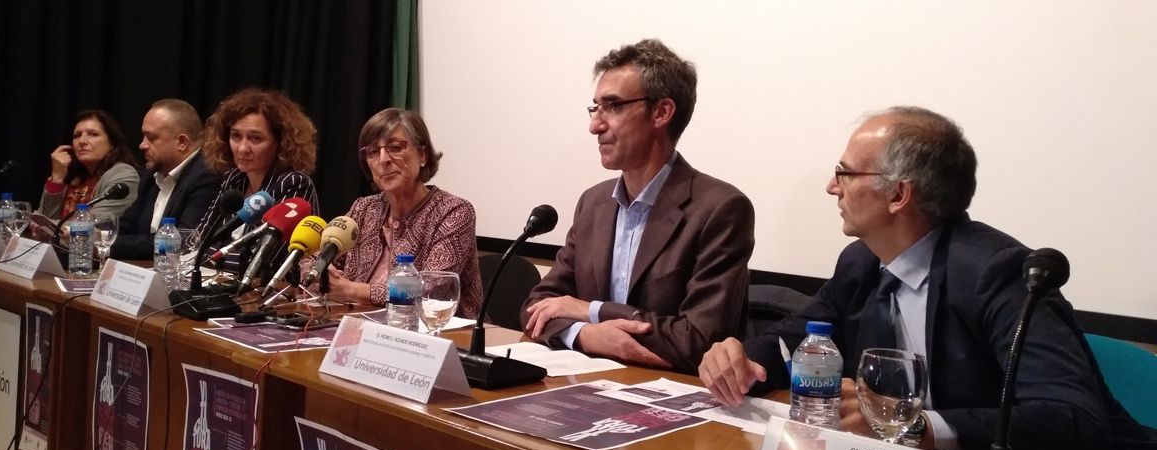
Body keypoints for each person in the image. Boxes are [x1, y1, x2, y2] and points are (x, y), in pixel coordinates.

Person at [699, 106, 1134, 450]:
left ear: (898, 195)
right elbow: (798, 339)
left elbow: (1076, 423)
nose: (832, 187)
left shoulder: (998, 273)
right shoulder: (862, 262)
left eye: (844, 174)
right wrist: (741, 359)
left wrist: (910, 424)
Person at [521, 39, 754, 374]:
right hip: (588, 387)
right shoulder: (593, 203)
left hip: (674, 398)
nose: (595, 125)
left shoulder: (720, 209)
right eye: (595, 108)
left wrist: (593, 311)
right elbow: (536, 307)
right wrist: (586, 335)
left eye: (613, 106)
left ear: (661, 112)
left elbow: (700, 341)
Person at [306, 108, 482, 318]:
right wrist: (321, 271)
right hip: (361, 326)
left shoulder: (453, 211)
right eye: (372, 152)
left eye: (395, 148)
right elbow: (309, 262)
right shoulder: (363, 209)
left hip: (442, 336)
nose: (383, 159)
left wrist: (352, 290)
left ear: (423, 155)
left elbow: (430, 290)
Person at [194, 88, 320, 268]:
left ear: (281, 143)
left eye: (255, 138)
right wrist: (207, 255)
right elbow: (201, 240)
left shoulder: (292, 184)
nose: (242, 148)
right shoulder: (235, 179)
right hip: (222, 284)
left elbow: (262, 261)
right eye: (236, 136)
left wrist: (210, 258)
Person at [109, 99, 220, 259]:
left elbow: (182, 242)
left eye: (151, 137)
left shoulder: (206, 175)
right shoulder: (152, 174)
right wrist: (98, 235)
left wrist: (104, 246)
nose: (142, 145)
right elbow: (127, 226)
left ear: (181, 142)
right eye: (143, 136)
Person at [37, 109, 139, 222]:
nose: (82, 141)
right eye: (77, 135)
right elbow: (42, 220)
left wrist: (46, 226)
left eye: (93, 134)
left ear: (112, 143)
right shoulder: (73, 175)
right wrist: (57, 178)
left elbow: (92, 224)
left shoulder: (123, 174)